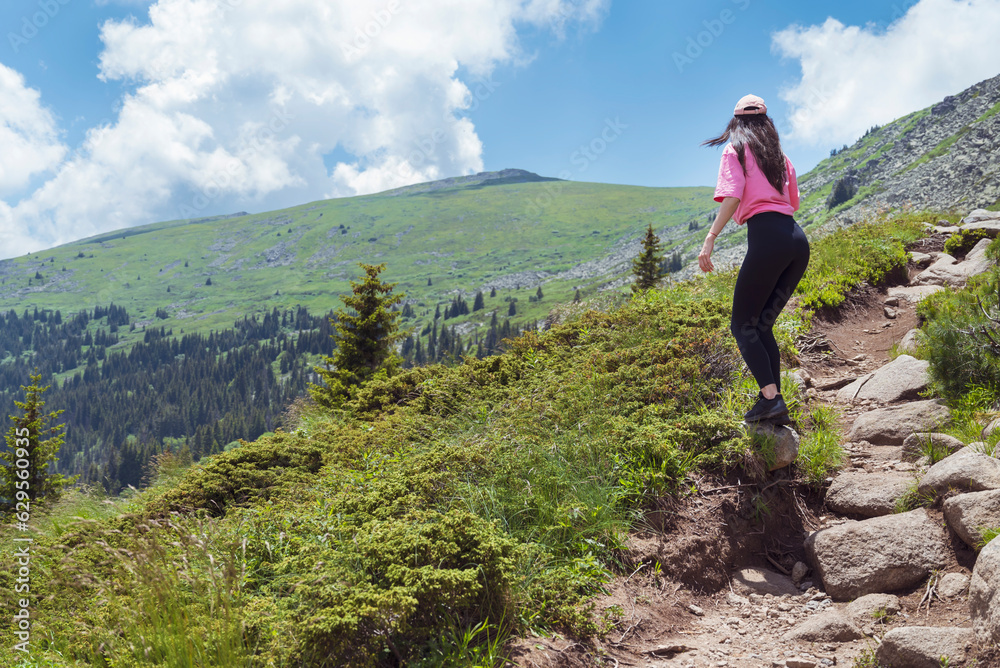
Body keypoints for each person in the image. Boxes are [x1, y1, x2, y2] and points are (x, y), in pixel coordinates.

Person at [698, 94, 810, 424]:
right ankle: (774, 404)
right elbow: (794, 201)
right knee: (762, 325)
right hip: (796, 241)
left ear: (736, 122)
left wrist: (711, 236)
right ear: (767, 123)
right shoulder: (780, 157)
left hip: (767, 239)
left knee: (741, 325)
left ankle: (771, 399)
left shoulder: (735, 149)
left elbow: (733, 195)